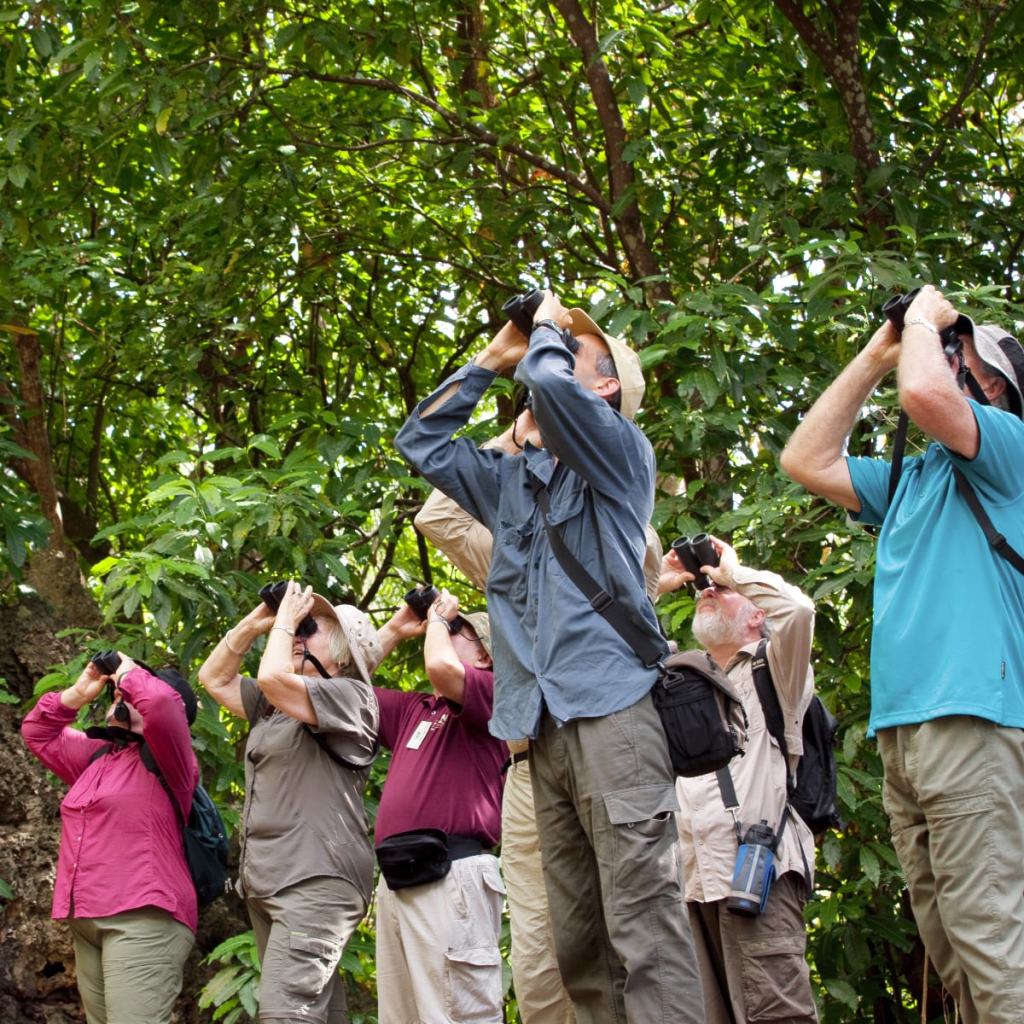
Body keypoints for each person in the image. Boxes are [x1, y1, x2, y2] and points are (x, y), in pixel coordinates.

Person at [396, 291, 703, 1023]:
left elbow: (551, 384)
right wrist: (490, 359)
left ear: (605, 388)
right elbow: (422, 442)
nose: (551, 356)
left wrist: (545, 328)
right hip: (541, 731)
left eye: (573, 352)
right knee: (579, 948)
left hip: (614, 716)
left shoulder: (621, 457)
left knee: (645, 931)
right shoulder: (512, 484)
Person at [780, 284, 1024, 1024]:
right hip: (905, 732)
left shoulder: (1010, 449)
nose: (944, 361)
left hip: (972, 718)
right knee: (953, 951)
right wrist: (875, 355)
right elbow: (805, 457)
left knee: (991, 941)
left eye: (962, 358)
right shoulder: (914, 478)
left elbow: (922, 394)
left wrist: (922, 321)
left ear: (996, 389)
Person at [198, 581, 382, 1024]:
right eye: (297, 628)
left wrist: (284, 623)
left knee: (285, 1014)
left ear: (342, 654)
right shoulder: (275, 707)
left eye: (310, 629)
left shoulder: (352, 697)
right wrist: (257, 622)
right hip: (272, 880)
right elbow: (214, 678)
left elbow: (272, 678)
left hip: (314, 878)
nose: (298, 635)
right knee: (315, 1014)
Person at [660, 536, 818, 1023]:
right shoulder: (682, 677)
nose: (707, 590)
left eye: (722, 591)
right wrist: (655, 584)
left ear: (756, 616)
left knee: (776, 1015)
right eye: (704, 588)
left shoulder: (777, 668)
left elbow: (797, 610)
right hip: (689, 883)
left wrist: (733, 572)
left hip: (756, 874)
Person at [21, 654, 199, 1024]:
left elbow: (162, 705)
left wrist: (129, 669)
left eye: (127, 694)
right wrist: (78, 693)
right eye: (117, 693)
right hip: (87, 920)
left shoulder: (172, 759)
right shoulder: (98, 756)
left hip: (144, 918)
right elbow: (37, 732)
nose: (120, 695)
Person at [372, 590, 507, 1023]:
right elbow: (342, 691)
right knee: (402, 1016)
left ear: (484, 655)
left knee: (457, 1013)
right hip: (399, 878)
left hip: (453, 874)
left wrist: (435, 621)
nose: (444, 632)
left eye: (456, 631)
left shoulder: (494, 693)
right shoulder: (417, 708)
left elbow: (441, 668)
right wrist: (395, 629)